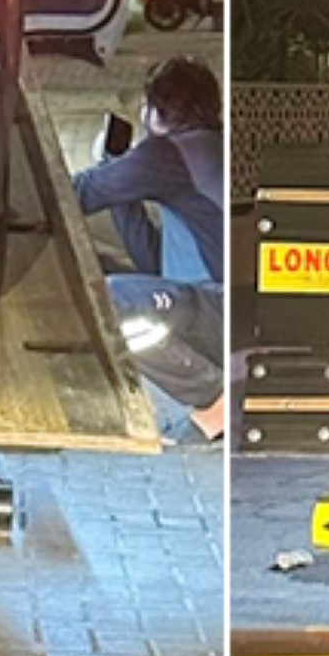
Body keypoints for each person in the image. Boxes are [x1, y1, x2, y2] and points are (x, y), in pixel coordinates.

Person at [71, 56, 226, 441]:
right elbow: (154, 263)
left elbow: (74, 196)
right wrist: (123, 188)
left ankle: (213, 400)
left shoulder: (166, 153)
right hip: (215, 306)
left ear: (156, 112)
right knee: (106, 271)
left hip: (217, 312)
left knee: (107, 300)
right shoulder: (208, 147)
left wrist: (111, 171)